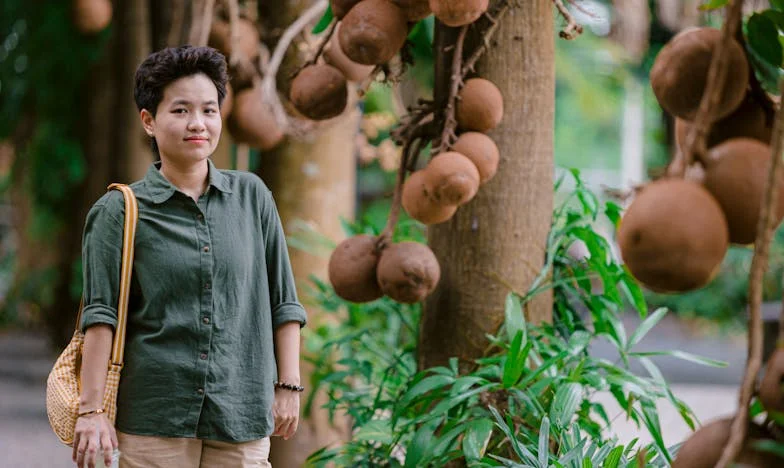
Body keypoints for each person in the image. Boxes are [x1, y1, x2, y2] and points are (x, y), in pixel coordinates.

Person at [72, 45, 307, 468]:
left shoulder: (252, 197)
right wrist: (92, 412)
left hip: (241, 417)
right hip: (153, 419)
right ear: (149, 121)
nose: (197, 123)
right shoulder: (119, 211)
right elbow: (100, 316)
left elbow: (283, 301)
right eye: (180, 111)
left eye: (209, 110)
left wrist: (288, 385)